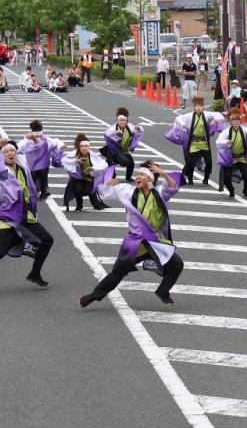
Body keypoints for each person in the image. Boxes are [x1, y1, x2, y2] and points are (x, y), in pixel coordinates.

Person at [79, 162, 186, 308]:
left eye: (142, 174)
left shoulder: (160, 194)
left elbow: (173, 187)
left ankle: (163, 291)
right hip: (135, 242)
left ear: (150, 179)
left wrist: (164, 173)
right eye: (137, 174)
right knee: (118, 273)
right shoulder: (128, 191)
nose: (138, 177)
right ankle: (92, 297)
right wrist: (103, 179)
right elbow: (105, 191)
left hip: (155, 241)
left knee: (177, 264)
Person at [0, 138, 55, 294]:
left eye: (12, 150)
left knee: (47, 240)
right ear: (1, 156)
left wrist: (33, 208)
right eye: (5, 151)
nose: (9, 153)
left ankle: (35, 273)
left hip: (25, 214)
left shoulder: (23, 168)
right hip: (7, 216)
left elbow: (30, 189)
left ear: (16, 153)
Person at [164, 96, 225, 185]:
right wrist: (184, 125)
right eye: (197, 106)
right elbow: (178, 118)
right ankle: (190, 179)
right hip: (194, 142)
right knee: (191, 162)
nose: (199, 107)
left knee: (209, 162)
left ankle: (206, 180)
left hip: (204, 142)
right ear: (194, 107)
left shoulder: (207, 115)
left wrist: (215, 120)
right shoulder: (189, 116)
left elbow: (219, 115)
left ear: (203, 107)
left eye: (200, 106)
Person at [58, 134, 110, 212]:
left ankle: (95, 202)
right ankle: (79, 206)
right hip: (77, 178)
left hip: (89, 178)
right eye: (82, 146)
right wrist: (75, 161)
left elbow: (104, 165)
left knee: (89, 191)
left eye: (86, 146)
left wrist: (93, 168)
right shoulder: (74, 154)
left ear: (89, 147)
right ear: (79, 147)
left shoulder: (92, 155)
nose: (84, 148)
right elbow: (63, 161)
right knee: (78, 189)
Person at [216, 107, 247, 198]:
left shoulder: (245, 130)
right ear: (230, 121)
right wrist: (226, 142)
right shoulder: (226, 132)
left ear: (240, 120)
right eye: (233, 120)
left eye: (238, 119)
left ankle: (246, 192)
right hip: (230, 159)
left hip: (242, 158)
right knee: (226, 178)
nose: (236, 122)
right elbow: (218, 142)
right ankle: (231, 191)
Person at [17, 120, 66, 201]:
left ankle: (31, 194)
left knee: (31, 181)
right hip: (44, 164)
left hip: (32, 165)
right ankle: (43, 194)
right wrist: (61, 146)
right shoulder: (46, 139)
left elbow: (18, 148)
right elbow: (56, 144)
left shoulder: (27, 141)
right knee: (44, 180)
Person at [102, 107, 144, 182]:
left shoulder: (130, 127)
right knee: (111, 163)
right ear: (117, 121)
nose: (122, 122)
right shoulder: (113, 129)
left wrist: (138, 127)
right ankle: (111, 175)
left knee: (131, 162)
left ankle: (128, 177)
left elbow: (140, 131)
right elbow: (106, 136)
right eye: (120, 120)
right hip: (113, 151)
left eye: (124, 120)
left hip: (123, 151)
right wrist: (115, 134)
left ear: (127, 121)